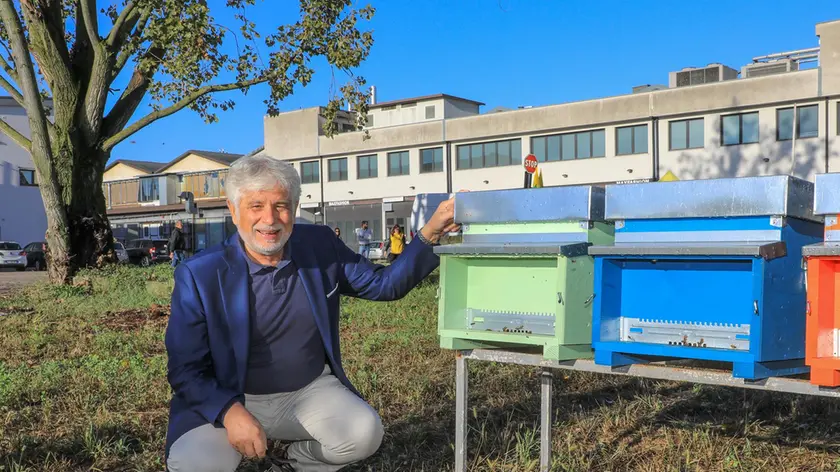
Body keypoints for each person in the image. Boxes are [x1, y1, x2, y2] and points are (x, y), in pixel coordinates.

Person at [163, 154, 459, 472]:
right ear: (234, 211)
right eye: (256, 206)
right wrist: (229, 411)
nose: (270, 219)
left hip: (306, 392)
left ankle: (298, 460)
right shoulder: (200, 274)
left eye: (281, 205)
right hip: (232, 397)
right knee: (195, 463)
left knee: (365, 433)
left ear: (294, 206)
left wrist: (431, 231)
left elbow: (384, 285)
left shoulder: (318, 245)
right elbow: (185, 369)